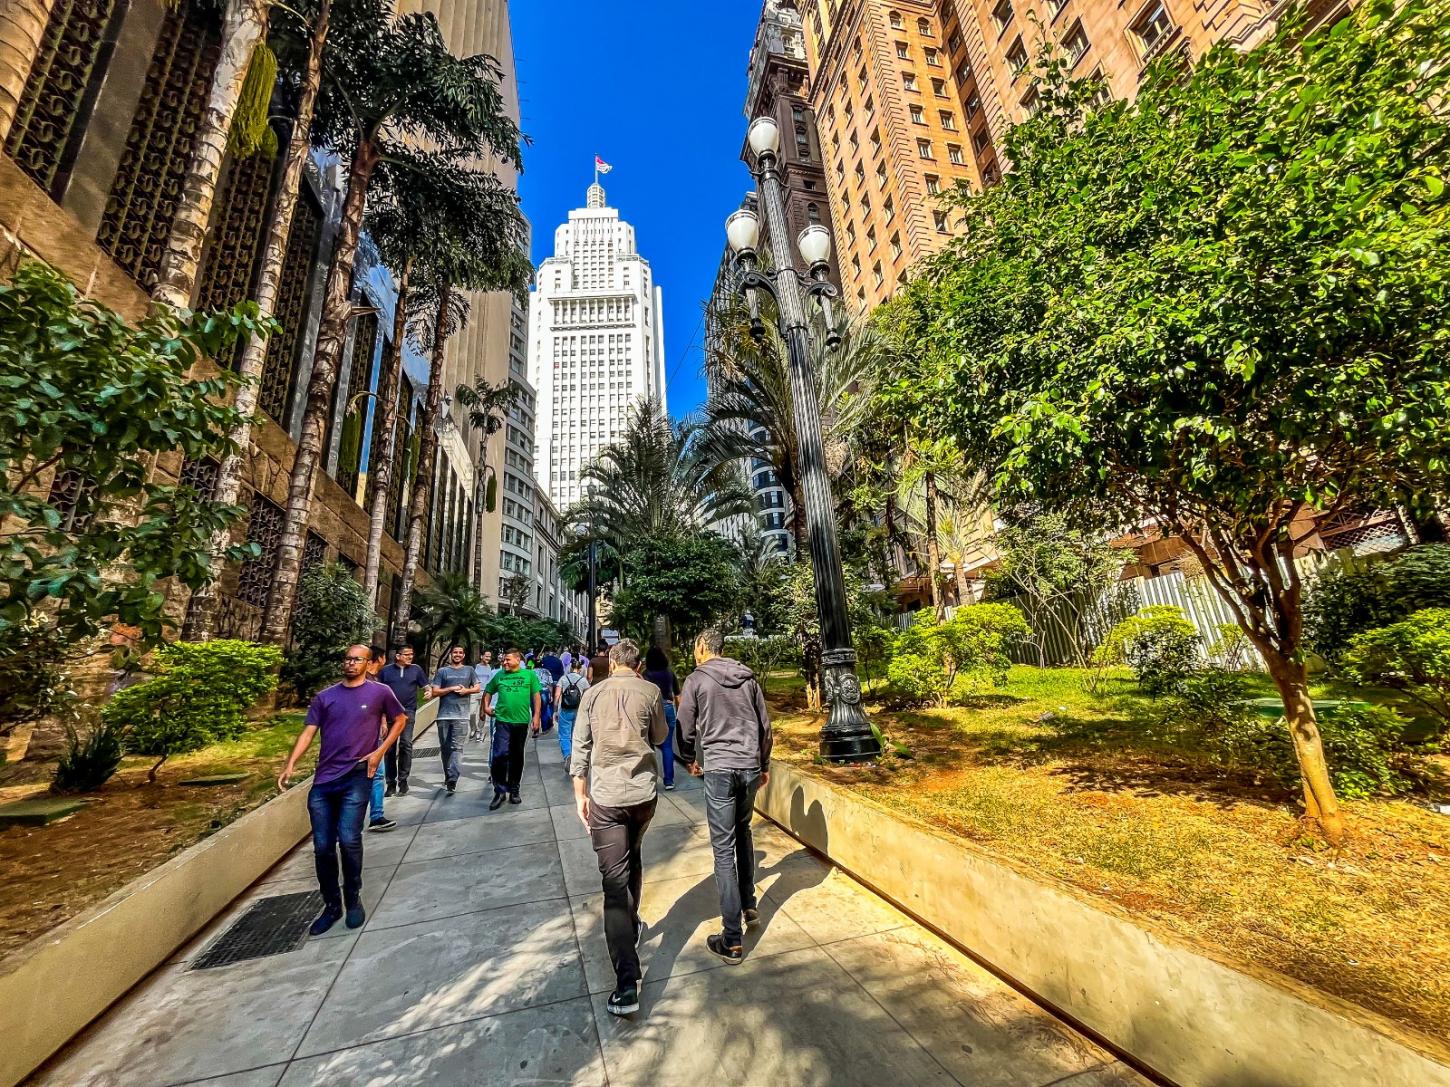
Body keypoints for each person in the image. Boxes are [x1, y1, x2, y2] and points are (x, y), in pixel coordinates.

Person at [278, 644, 407, 935]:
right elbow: (309, 731)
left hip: (357, 776)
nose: (350, 663)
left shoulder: (379, 693)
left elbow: (400, 719)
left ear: (368, 663)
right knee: (323, 846)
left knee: (349, 839)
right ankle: (331, 905)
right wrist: (290, 764)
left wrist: (379, 753)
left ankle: (353, 897)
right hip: (324, 781)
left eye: (357, 659)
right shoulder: (325, 697)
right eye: (347, 659)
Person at [570, 639, 668, 1017]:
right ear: (638, 664)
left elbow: (581, 747)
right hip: (643, 795)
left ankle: (627, 984)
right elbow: (660, 737)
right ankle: (633, 924)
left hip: (607, 797)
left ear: (611, 663)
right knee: (634, 858)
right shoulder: (651, 691)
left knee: (614, 885)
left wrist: (580, 794)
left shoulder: (592, 694)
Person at [677, 628, 773, 967]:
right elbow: (765, 726)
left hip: (718, 769)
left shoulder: (697, 680)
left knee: (722, 849)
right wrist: (762, 765)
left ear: (703, 647)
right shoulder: (748, 679)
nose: (693, 653)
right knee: (743, 831)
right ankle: (749, 903)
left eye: (694, 647)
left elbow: (684, 726)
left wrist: (688, 758)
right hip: (748, 767)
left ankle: (731, 938)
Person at [483, 647, 541, 809]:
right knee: (499, 754)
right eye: (504, 659)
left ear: (518, 660)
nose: (504, 662)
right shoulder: (500, 676)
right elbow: (487, 691)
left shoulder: (529, 675)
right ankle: (499, 791)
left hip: (521, 722)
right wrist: (485, 708)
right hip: (502, 721)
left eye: (508, 659)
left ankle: (514, 789)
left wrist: (536, 716)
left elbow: (536, 696)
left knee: (517, 756)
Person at [378, 645, 428, 796]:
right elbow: (379, 695)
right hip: (389, 713)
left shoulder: (416, 670)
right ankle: (391, 783)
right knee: (389, 748)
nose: (409, 657)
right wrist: (383, 719)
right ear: (397, 656)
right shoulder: (386, 671)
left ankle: (403, 780)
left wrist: (428, 691)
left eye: (411, 654)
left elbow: (425, 686)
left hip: (408, 712)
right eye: (406, 655)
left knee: (406, 744)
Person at [429, 646, 478, 795]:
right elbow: (435, 691)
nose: (457, 655)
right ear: (451, 655)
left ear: (463, 655)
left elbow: (476, 688)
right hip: (443, 716)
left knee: (457, 748)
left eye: (460, 653)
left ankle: (452, 778)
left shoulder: (469, 670)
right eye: (455, 652)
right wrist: (450, 689)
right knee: (445, 748)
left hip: (462, 716)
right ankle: (448, 775)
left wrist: (466, 691)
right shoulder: (443, 671)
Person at [364, 646, 397, 832]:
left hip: (375, 734)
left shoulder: (375, 681)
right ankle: (374, 816)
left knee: (377, 775)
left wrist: (383, 720)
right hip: (365, 738)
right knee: (374, 775)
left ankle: (376, 816)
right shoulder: (367, 681)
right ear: (381, 659)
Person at [641, 646, 681, 792]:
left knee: (649, 745)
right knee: (667, 746)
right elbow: (677, 695)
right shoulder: (670, 673)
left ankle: (650, 780)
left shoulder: (646, 674)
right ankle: (669, 781)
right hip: (669, 708)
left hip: (652, 709)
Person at [554, 656, 590, 771]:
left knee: (564, 735)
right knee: (576, 734)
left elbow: (557, 695)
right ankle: (575, 757)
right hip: (578, 711)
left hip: (565, 710)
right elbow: (587, 697)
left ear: (570, 668)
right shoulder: (583, 681)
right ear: (579, 669)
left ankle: (567, 755)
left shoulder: (563, 679)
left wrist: (555, 710)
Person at [470, 648, 497, 743]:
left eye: (489, 656)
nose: (488, 658)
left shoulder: (491, 667)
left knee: (483, 713)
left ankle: (479, 730)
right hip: (474, 692)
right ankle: (473, 728)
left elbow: (492, 681)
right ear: (481, 656)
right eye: (486, 656)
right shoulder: (474, 666)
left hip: (486, 693)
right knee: (471, 713)